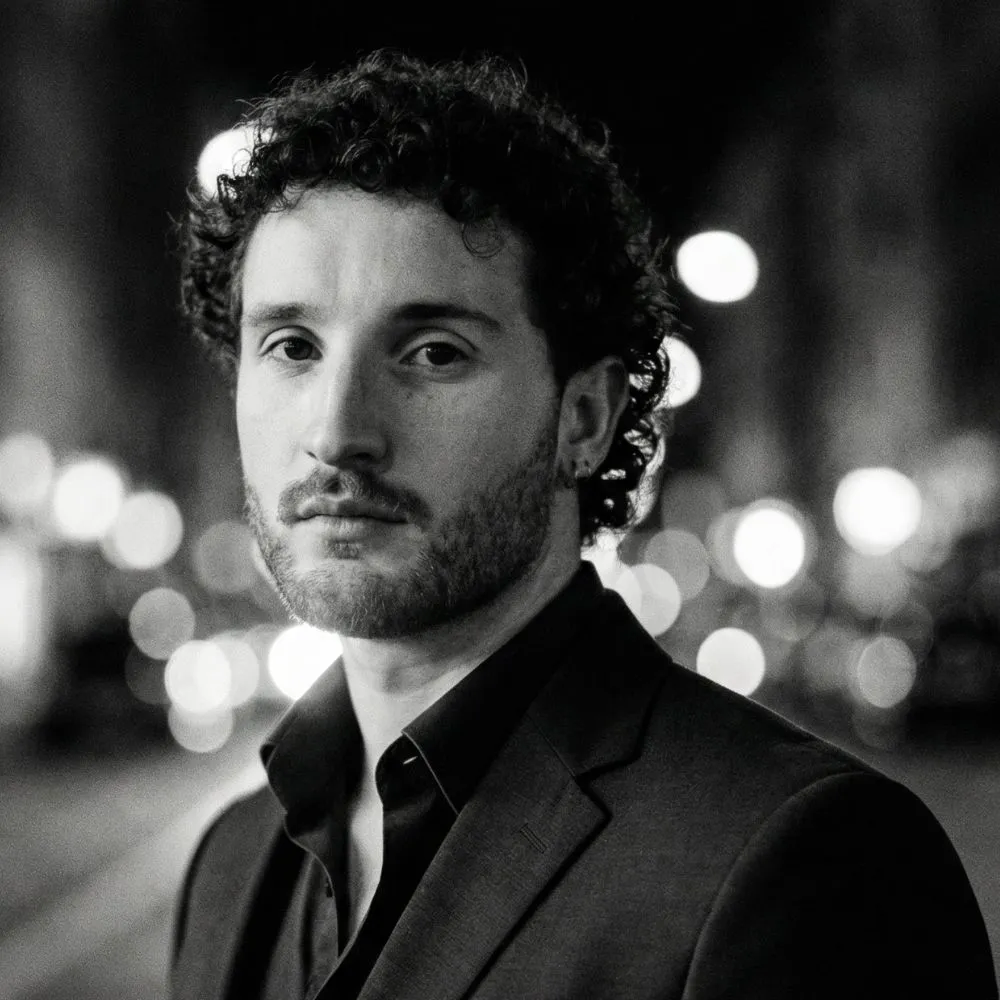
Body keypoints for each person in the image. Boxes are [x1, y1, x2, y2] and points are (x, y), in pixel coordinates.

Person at [172, 50, 997, 1000]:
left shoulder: (809, 864)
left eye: (433, 352)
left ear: (586, 418)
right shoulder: (230, 870)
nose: (337, 431)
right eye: (291, 347)